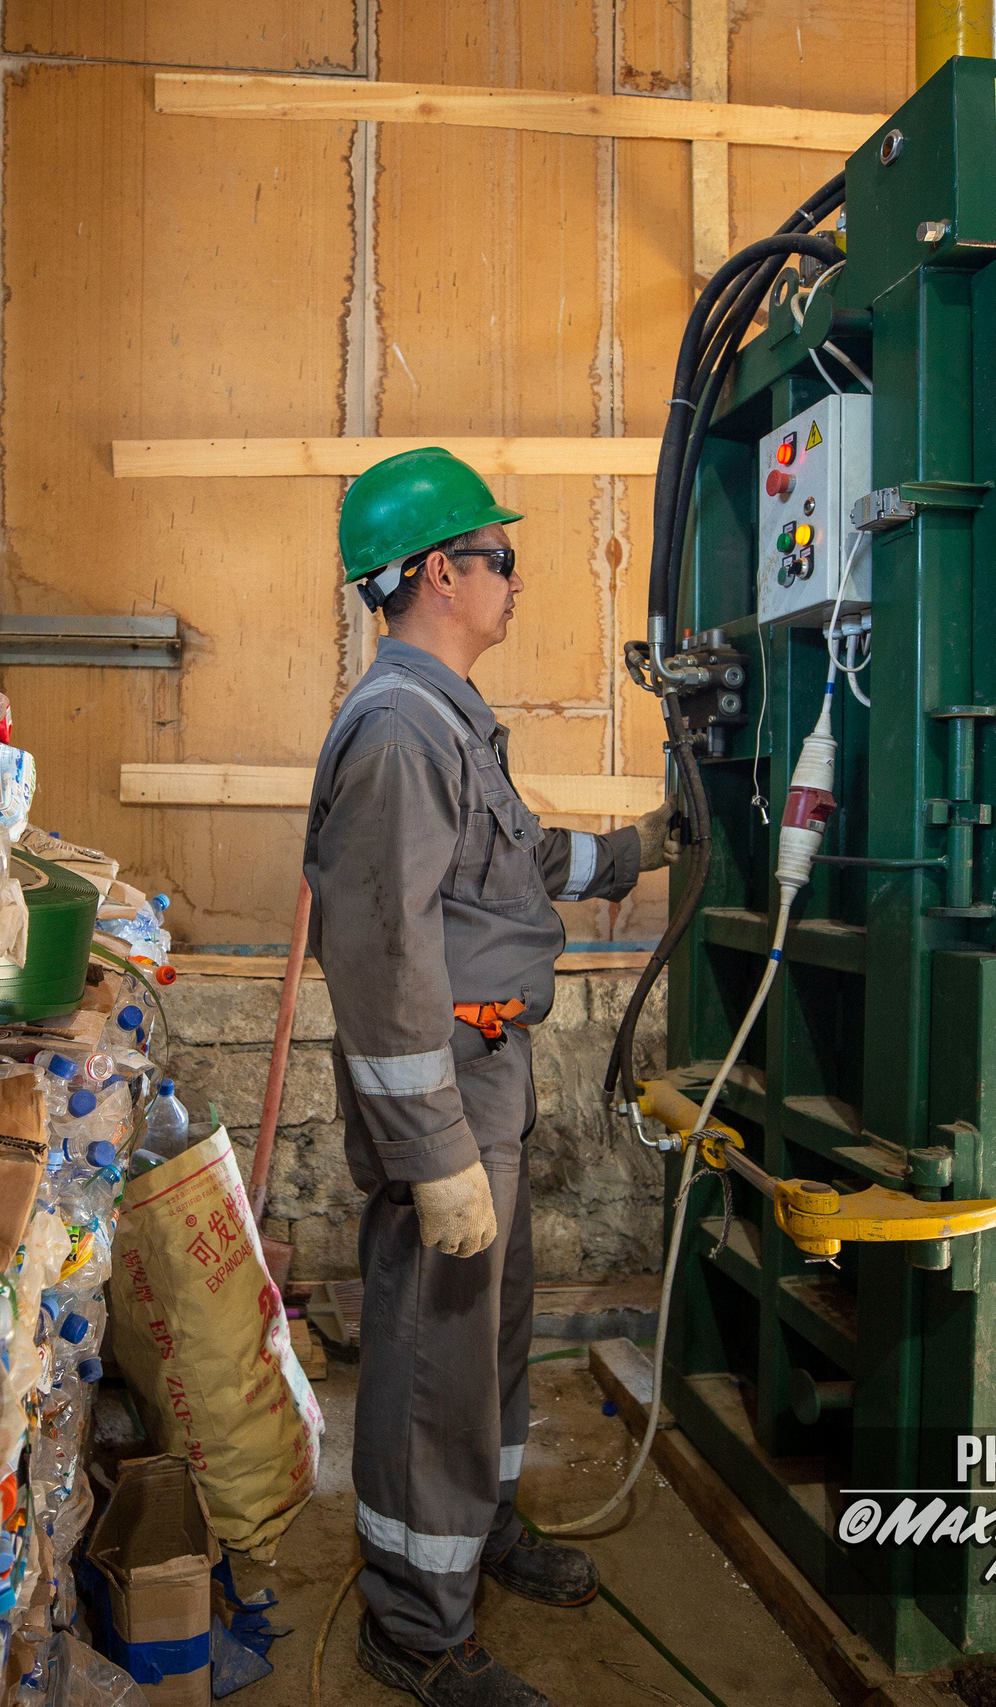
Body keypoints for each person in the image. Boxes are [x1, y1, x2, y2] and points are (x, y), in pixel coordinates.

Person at [303, 446, 673, 1707]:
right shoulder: (399, 733)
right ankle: (412, 1624)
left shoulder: (450, 718)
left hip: (489, 1072)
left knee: (491, 1339)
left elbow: (503, 871)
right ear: (440, 575)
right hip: (444, 1092)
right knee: (429, 1363)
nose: (517, 580)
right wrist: (432, 1152)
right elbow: (382, 954)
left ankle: (482, 1529)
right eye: (500, 558)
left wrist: (634, 852)